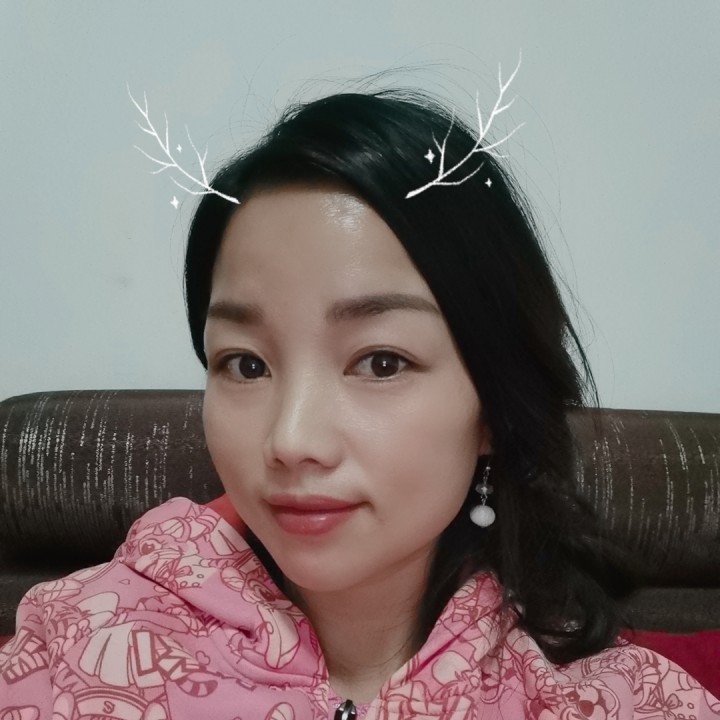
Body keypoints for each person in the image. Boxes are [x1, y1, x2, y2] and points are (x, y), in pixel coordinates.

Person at [1, 89, 718, 719]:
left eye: (381, 362)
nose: (291, 440)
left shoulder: (612, 699)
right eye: (246, 364)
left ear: (494, 407)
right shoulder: (77, 647)